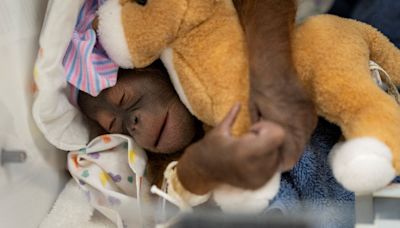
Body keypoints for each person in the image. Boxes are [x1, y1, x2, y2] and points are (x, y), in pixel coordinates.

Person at [78, 60, 285, 191]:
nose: (133, 124)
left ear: (149, 68)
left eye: (125, 99)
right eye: (116, 126)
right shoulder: (158, 175)